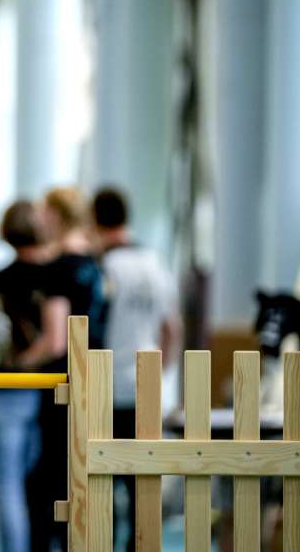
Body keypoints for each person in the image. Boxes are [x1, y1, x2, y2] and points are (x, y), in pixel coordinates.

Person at [90, 187, 180, 552]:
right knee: (142, 477)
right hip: (146, 383)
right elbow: (171, 328)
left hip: (106, 382)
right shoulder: (155, 264)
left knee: (102, 477)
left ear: (94, 220)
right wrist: (162, 372)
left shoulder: (103, 267)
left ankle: (104, 544)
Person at [26, 186, 106, 552]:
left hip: (62, 381)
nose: (38, 219)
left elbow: (55, 340)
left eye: (43, 211)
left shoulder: (56, 268)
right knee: (85, 475)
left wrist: (18, 364)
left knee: (47, 480)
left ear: (56, 215)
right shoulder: (94, 262)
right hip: (95, 375)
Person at [0, 199, 54, 552]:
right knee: (38, 483)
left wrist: (16, 364)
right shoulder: (56, 278)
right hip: (50, 388)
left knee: (7, 485)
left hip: (3, 387)